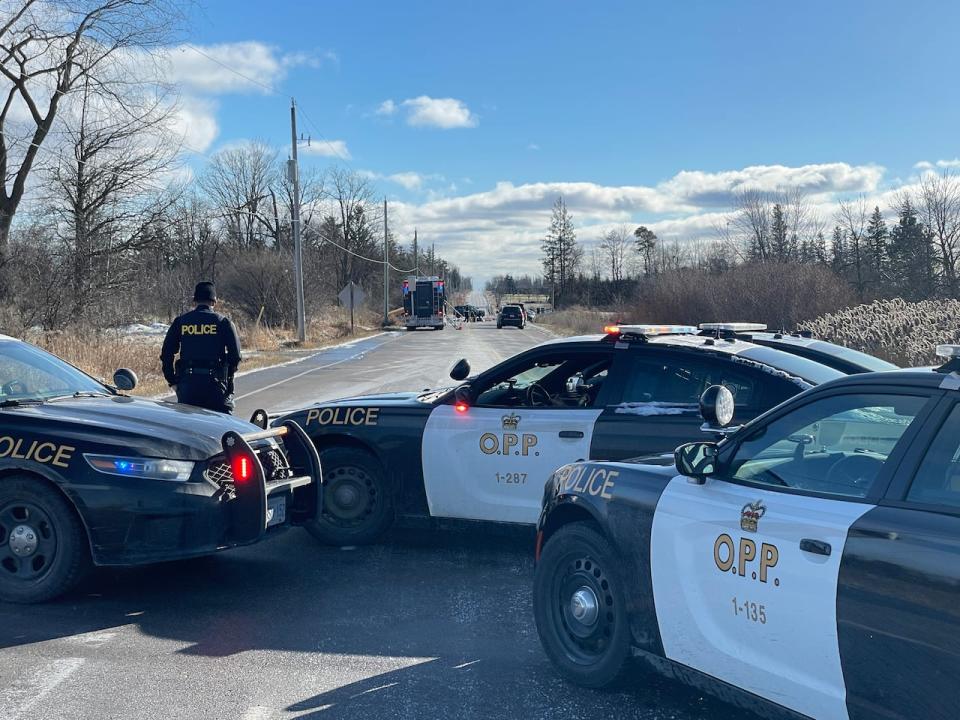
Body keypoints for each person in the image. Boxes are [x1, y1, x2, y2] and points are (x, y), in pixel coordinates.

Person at [161, 281, 242, 413]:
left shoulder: (181, 322)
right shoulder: (223, 322)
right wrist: (228, 376)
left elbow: (166, 353)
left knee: (189, 427)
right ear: (214, 301)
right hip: (215, 385)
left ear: (194, 300)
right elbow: (236, 356)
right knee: (220, 426)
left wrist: (172, 381)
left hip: (188, 385)